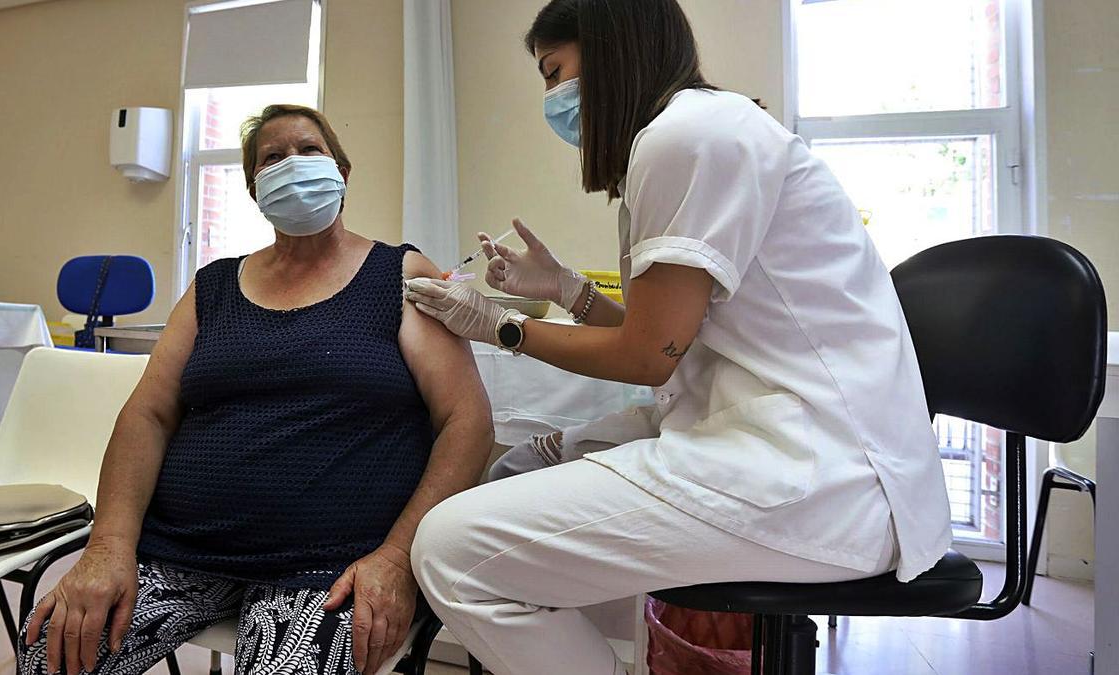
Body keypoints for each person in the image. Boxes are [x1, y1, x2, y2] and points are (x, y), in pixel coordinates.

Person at [404, 1, 954, 673]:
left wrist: (499, 326)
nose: (554, 99)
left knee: (450, 550)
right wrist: (564, 288)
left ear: (609, 46)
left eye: (556, 72)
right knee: (523, 465)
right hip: (763, 431)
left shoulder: (687, 138)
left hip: (814, 471)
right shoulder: (694, 133)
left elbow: (649, 357)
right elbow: (669, 340)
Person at [18, 104, 494, 675]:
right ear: (255, 187)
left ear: (342, 172)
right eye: (273, 157)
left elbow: (466, 421)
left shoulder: (399, 274)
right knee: (55, 651)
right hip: (183, 549)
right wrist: (109, 545)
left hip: (333, 564)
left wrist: (396, 558)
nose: (293, 164)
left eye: (310, 151)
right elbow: (147, 414)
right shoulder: (211, 287)